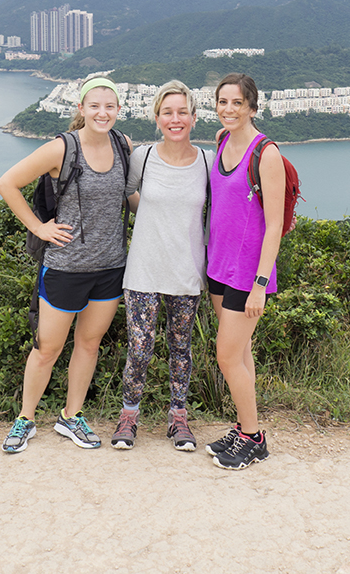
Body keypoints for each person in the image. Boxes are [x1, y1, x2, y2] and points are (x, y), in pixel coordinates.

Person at [0, 77, 132, 453]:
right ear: (81, 109)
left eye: (109, 106)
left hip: (110, 267)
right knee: (47, 349)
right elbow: (7, 183)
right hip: (65, 267)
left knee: (89, 345)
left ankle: (71, 416)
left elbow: (129, 196)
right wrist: (39, 227)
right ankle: (25, 419)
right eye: (95, 106)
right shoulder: (62, 148)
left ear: (118, 110)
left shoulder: (123, 145)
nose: (102, 113)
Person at [109, 80, 213, 452]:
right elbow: (127, 193)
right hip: (144, 269)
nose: (175, 119)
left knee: (181, 347)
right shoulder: (144, 156)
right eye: (167, 112)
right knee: (140, 348)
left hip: (187, 269)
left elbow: (224, 203)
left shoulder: (207, 161)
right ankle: (129, 415)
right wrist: (153, 213)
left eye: (182, 112)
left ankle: (178, 417)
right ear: (157, 118)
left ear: (194, 117)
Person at [204, 73, 284, 470]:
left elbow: (275, 224)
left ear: (252, 107)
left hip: (248, 275)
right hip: (218, 267)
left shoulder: (266, 154)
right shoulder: (222, 141)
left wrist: (259, 285)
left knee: (226, 357)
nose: (229, 109)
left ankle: (253, 438)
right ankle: (244, 427)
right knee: (241, 353)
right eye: (223, 102)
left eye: (237, 102)